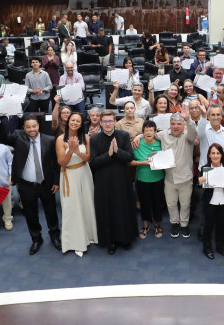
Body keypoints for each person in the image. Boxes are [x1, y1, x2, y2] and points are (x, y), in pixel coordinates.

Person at [0, 110, 61, 254]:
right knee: (31, 214)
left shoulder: (49, 140)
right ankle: (36, 238)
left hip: (47, 185)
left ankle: (55, 236)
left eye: (34, 126)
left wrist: (56, 181)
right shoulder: (18, 137)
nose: (31, 129)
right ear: (24, 128)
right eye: (28, 127)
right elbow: (3, 137)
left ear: (38, 126)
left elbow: (56, 163)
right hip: (26, 186)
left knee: (51, 213)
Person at [89, 110, 137, 254]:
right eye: (105, 121)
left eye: (111, 121)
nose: (108, 124)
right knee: (107, 211)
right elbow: (94, 163)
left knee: (123, 209)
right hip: (103, 181)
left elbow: (129, 156)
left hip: (121, 180)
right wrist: (109, 154)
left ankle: (126, 239)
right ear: (101, 122)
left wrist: (117, 151)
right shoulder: (95, 139)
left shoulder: (123, 135)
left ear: (115, 122)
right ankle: (110, 241)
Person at [55, 112, 97, 256]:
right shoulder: (60, 139)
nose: (75, 123)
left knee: (87, 204)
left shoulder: (85, 137)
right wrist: (71, 150)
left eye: (78, 121)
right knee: (72, 208)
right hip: (70, 175)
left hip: (84, 173)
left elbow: (89, 159)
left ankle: (90, 235)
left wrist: (78, 152)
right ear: (68, 122)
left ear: (81, 124)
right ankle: (75, 242)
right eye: (73, 120)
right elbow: (62, 162)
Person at [155, 107, 197, 238]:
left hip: (185, 178)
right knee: (171, 204)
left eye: (179, 124)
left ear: (183, 125)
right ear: (170, 124)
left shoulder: (188, 136)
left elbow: (194, 131)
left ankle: (184, 224)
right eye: (173, 123)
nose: (175, 126)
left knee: (185, 204)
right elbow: (149, 134)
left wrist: (187, 119)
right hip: (169, 178)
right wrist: (138, 137)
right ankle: (174, 223)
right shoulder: (163, 134)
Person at [198, 143, 224, 259]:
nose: (215, 156)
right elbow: (200, 187)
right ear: (209, 155)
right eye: (213, 153)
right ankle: (207, 248)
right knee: (208, 226)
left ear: (221, 155)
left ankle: (221, 247)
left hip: (223, 202)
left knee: (220, 226)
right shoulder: (205, 169)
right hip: (209, 202)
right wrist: (199, 182)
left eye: (218, 153)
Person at [131, 120, 165, 239]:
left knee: (157, 202)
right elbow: (129, 162)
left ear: (155, 132)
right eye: (146, 130)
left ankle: (157, 224)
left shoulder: (161, 143)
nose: (149, 132)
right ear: (143, 132)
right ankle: (145, 225)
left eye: (151, 130)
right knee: (144, 203)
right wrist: (143, 163)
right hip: (142, 179)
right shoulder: (137, 143)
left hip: (158, 178)